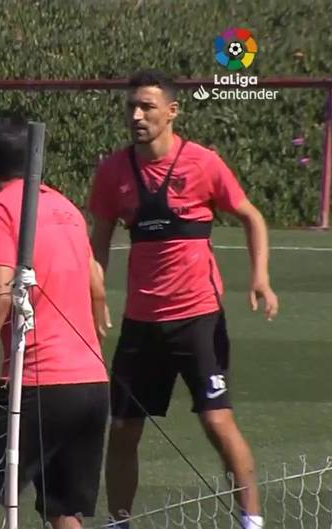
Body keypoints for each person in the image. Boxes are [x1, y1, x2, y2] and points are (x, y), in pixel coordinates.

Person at [88, 70, 279, 529]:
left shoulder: (203, 163)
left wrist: (260, 278)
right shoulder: (113, 171)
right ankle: (118, 523)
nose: (136, 115)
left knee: (217, 423)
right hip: (140, 323)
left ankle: (251, 521)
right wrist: (94, 296)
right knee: (122, 429)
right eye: (131, 106)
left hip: (197, 320)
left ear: (172, 112)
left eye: (147, 107)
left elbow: (251, 216)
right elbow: (98, 243)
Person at [0, 110, 111, 529]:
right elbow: (95, 277)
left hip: (39, 386)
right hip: (91, 385)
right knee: (62, 512)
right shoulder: (64, 207)